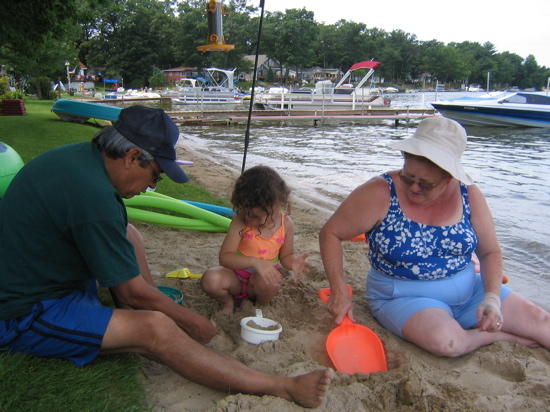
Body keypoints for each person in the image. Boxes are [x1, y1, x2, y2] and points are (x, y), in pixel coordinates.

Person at [0, 106, 333, 407]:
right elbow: (130, 290)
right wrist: (190, 321)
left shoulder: (80, 161)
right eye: (156, 176)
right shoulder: (94, 197)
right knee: (154, 328)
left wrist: (149, 300)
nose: (151, 187)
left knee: (130, 235)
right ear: (132, 156)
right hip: (24, 311)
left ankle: (150, 306)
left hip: (39, 273)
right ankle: (280, 386)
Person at [319, 116, 550, 357]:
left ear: (450, 176)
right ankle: (495, 336)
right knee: (448, 343)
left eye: (426, 184)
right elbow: (330, 233)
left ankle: (479, 327)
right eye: (408, 177)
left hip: (471, 289)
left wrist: (492, 297)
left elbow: (490, 251)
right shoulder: (379, 192)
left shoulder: (468, 193)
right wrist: (339, 291)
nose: (414, 188)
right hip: (404, 297)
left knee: (542, 322)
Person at [201, 165, 310, 314]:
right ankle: (227, 303)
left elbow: (286, 256)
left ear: (281, 203)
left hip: (262, 283)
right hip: (236, 279)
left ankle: (260, 307)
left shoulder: (287, 224)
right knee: (210, 279)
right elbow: (225, 258)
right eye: (254, 216)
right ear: (243, 207)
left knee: (271, 282)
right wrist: (255, 262)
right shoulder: (240, 221)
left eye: (269, 214)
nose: (262, 221)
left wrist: (293, 263)